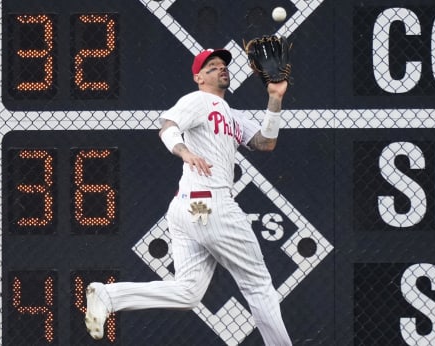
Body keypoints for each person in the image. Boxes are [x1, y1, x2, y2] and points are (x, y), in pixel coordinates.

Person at [84, 48, 292, 345]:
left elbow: (265, 142)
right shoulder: (198, 100)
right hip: (212, 204)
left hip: (187, 209)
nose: (221, 69)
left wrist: (275, 98)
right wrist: (184, 152)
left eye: (223, 65)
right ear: (198, 77)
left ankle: (108, 295)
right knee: (258, 285)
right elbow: (167, 127)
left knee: (188, 292)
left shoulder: (231, 114)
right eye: (212, 66)